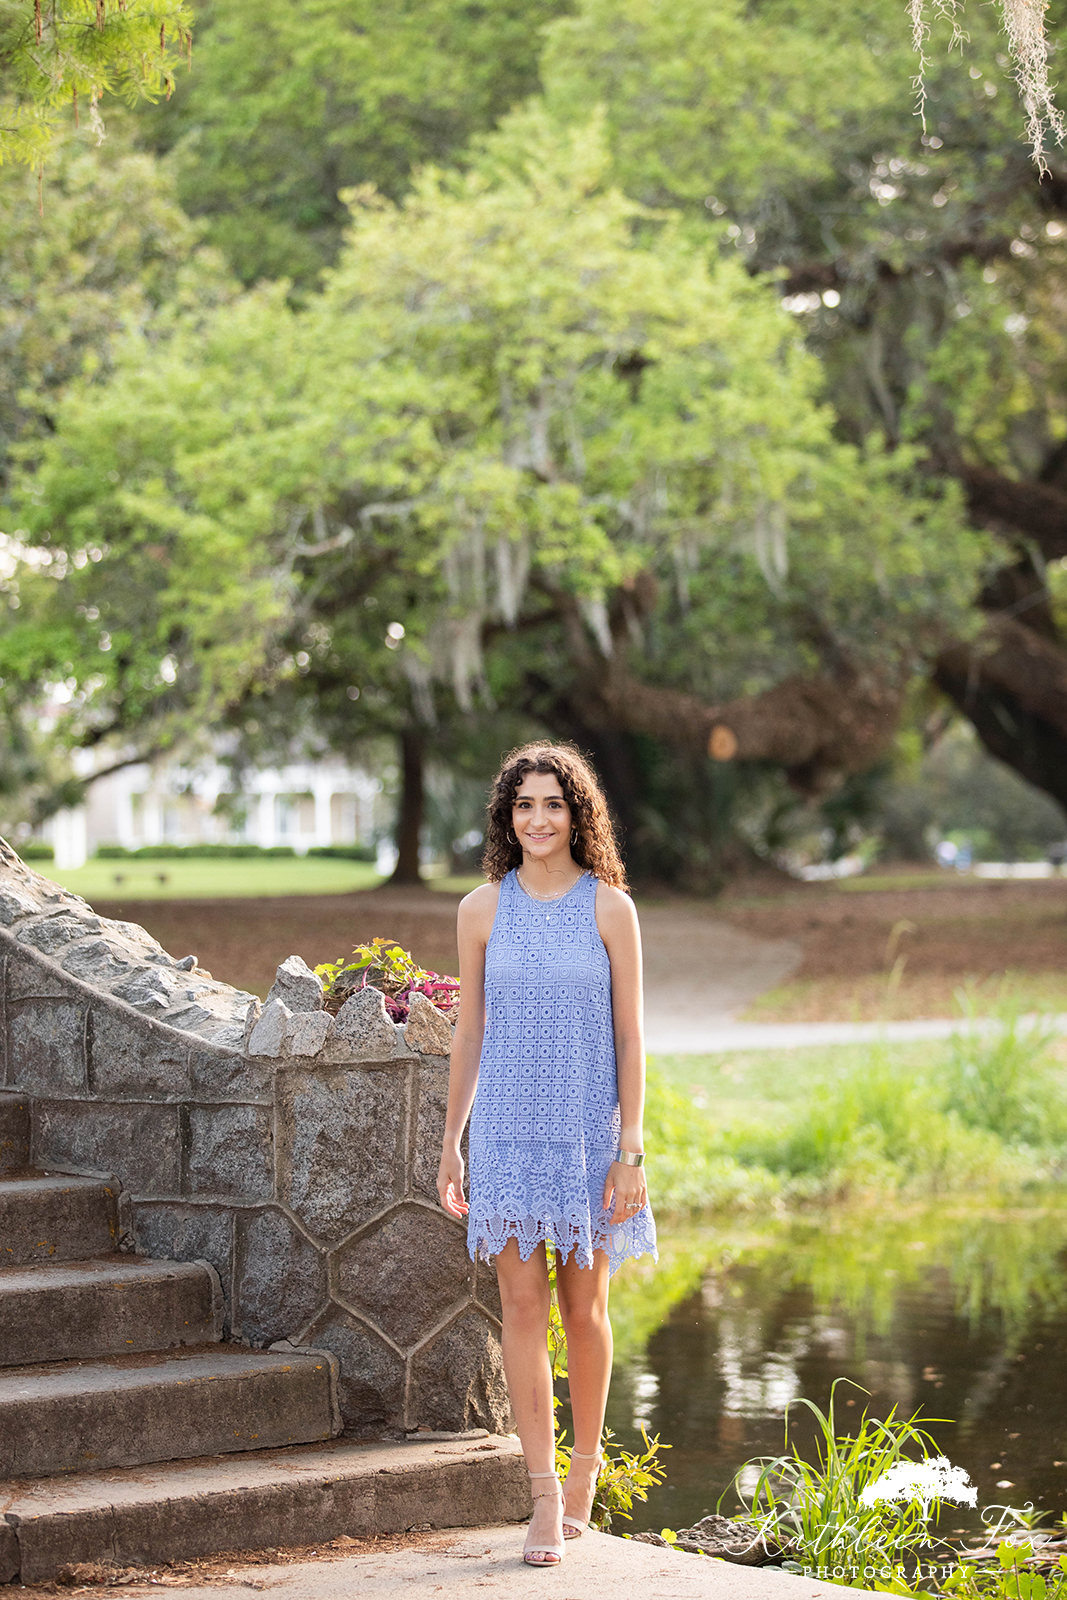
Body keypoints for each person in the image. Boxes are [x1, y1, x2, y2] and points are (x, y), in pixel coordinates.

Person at [436, 741, 657, 1568]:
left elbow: (631, 1037)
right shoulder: (479, 910)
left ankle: (584, 1473)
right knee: (521, 1310)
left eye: (553, 804)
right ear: (507, 815)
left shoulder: (610, 908)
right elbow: (469, 1034)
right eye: (523, 805)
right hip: (504, 1134)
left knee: (584, 1309)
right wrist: (451, 1142)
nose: (537, 819)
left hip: (588, 1137)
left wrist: (630, 1149)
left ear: (577, 814)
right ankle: (539, 1496)